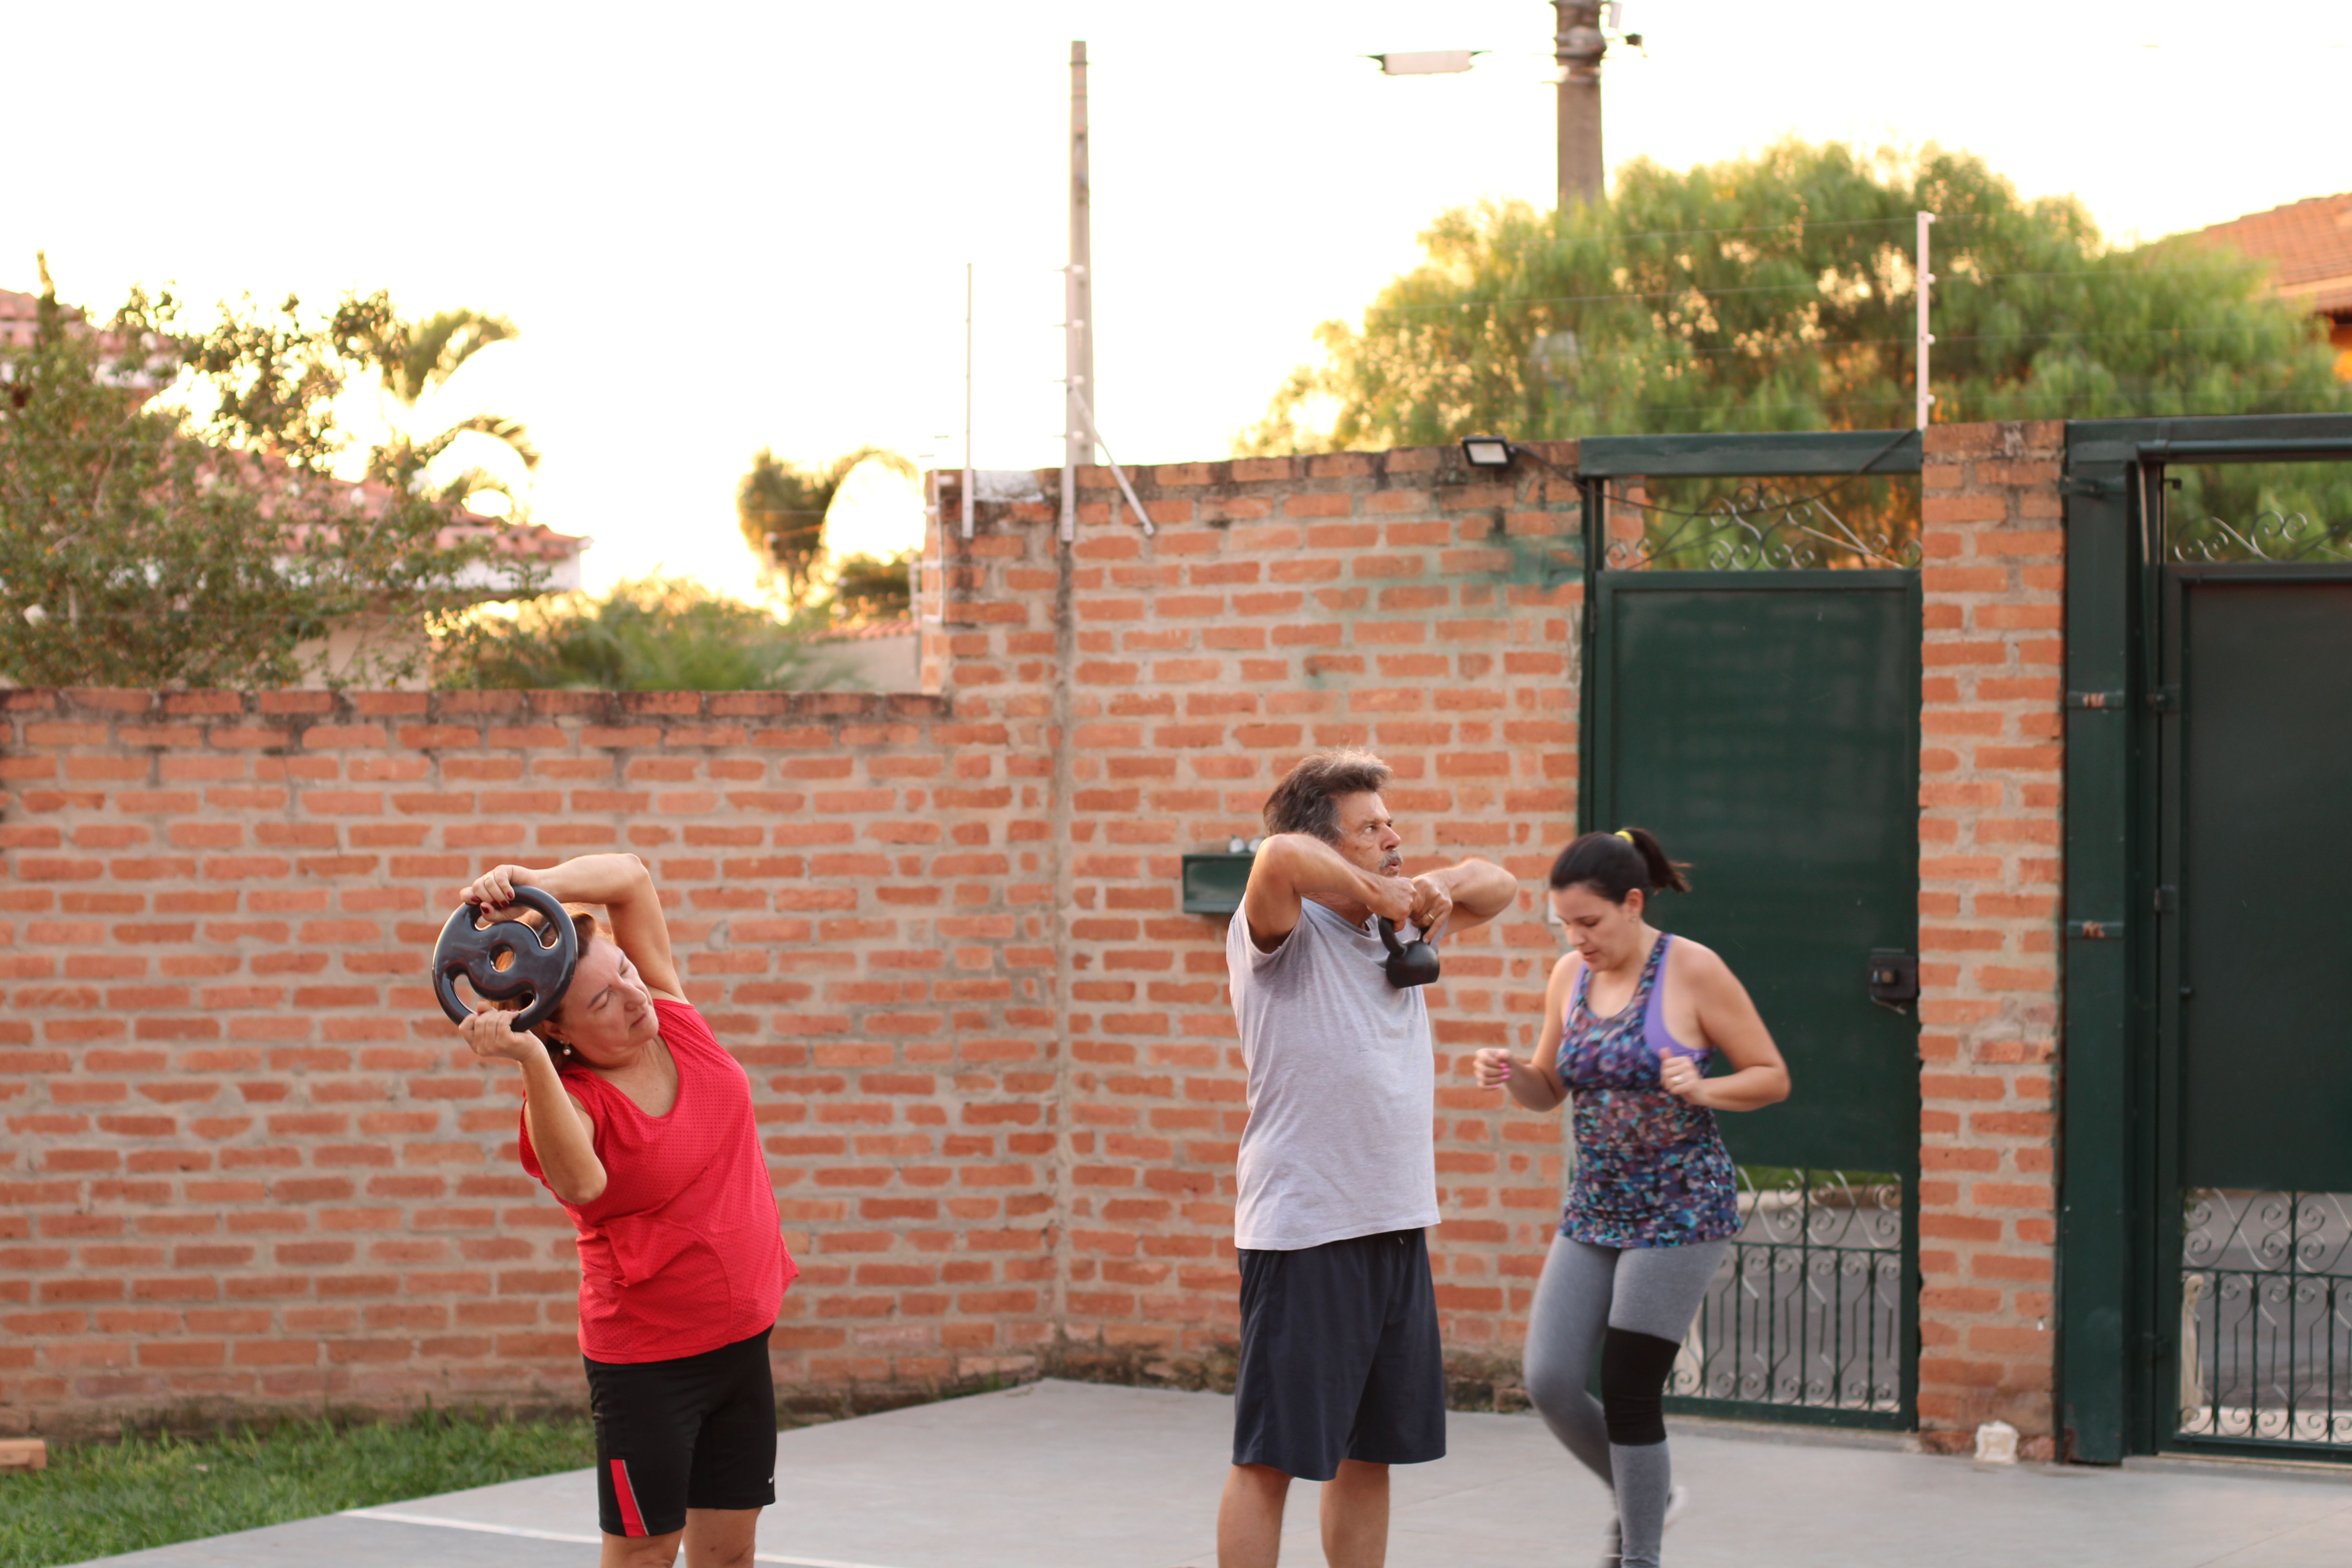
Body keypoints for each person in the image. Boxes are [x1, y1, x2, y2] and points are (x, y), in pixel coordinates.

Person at [1218, 750, 1520, 1568]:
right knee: (1273, 1454)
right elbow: (1278, 856)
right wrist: (1384, 892)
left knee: (1369, 1449)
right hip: (1305, 1227)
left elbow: (1499, 881)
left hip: (1394, 1221)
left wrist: (1431, 888)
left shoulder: (1397, 916)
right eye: (1372, 827)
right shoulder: (1277, 929)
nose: (1393, 835)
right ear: (1330, 844)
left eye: (1391, 821)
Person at [451, 854, 794, 1568]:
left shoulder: (672, 1016)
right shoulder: (569, 1102)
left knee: (730, 1557)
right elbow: (581, 1183)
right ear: (558, 1031)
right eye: (603, 1002)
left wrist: (531, 883)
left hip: (742, 1344)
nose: (634, 997)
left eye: (626, 974)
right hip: (650, 1367)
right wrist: (530, 1065)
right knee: (645, 1555)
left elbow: (631, 878)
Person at [1473, 829, 1789, 1568]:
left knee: (1628, 1387)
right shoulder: (1568, 978)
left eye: (1590, 923)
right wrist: (1510, 1070)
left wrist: (1704, 1087)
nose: (1578, 938)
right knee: (1549, 1381)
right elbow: (1548, 1091)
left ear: (1633, 903)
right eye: (1565, 925)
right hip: (1596, 1208)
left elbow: (1771, 1075)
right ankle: (1649, 1493)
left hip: (1680, 1210)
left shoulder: (1693, 970)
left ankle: (1639, 1554)